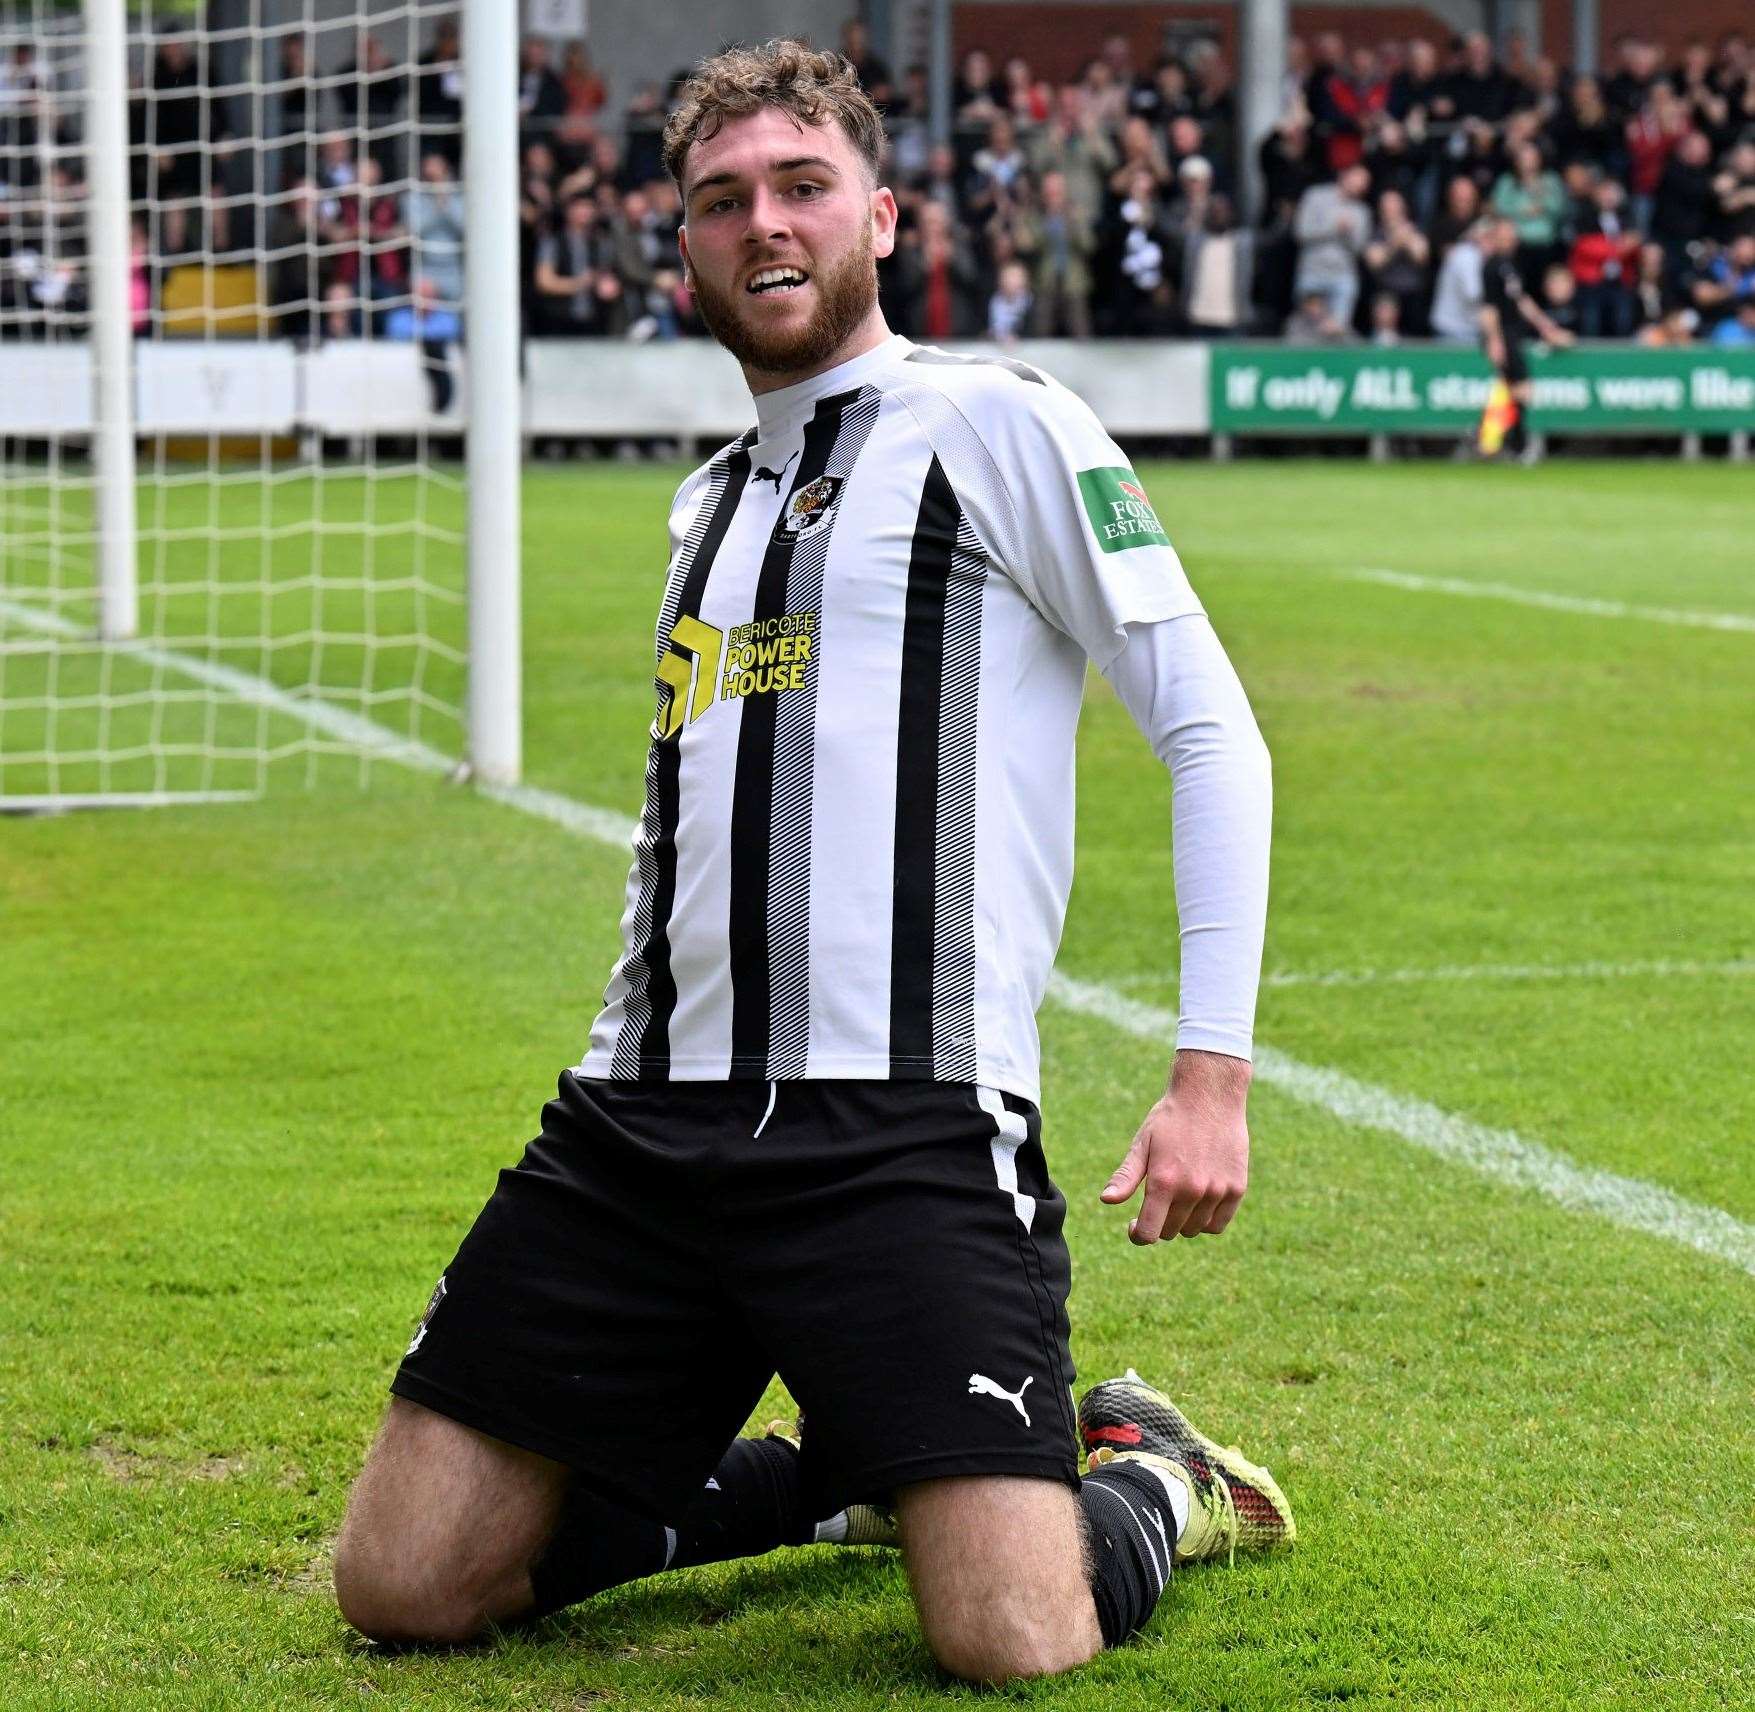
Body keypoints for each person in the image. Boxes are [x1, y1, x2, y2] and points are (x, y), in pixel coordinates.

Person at [333, 38, 1290, 1685]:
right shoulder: (704, 505)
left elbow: (1213, 735)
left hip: (902, 1123)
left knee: (1010, 1635)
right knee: (404, 1583)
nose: (763, 224)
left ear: (880, 216)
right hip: (645, 1126)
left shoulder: (996, 422)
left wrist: (1213, 1070)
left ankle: (1148, 1476)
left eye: (800, 186)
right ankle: (843, 1478)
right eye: (721, 200)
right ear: (685, 244)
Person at [1477, 215, 1575, 460]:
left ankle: (1500, 442)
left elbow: (1521, 300)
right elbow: (1488, 308)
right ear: (1496, 237)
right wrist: (1494, 340)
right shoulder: (1491, 267)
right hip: (1504, 333)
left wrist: (1545, 326)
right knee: (1519, 389)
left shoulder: (1510, 266)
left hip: (1513, 332)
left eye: (1512, 235)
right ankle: (1511, 443)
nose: (1510, 240)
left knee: (1515, 390)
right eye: (1505, 235)